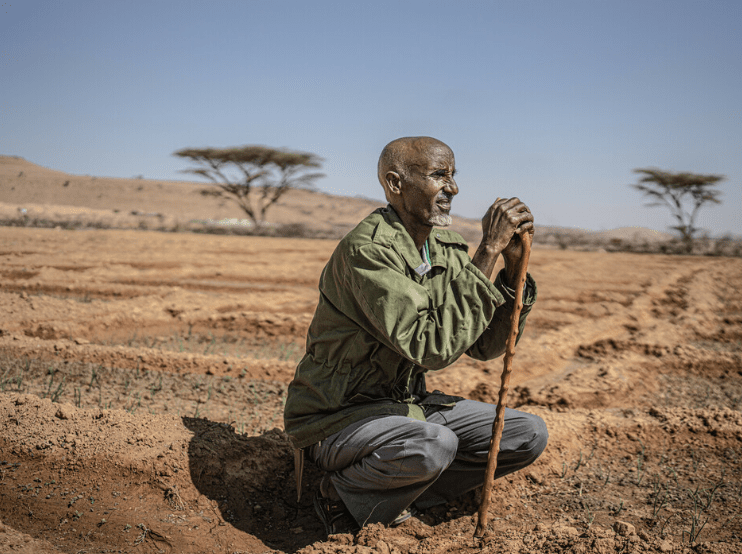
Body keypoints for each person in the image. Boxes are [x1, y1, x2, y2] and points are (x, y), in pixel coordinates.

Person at [283, 136, 547, 535]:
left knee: (526, 434)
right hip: (338, 416)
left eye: (454, 176)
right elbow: (431, 349)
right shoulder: (368, 252)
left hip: (406, 407)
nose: (453, 189)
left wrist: (511, 273)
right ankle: (337, 492)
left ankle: (399, 492)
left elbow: (484, 345)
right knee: (433, 444)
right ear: (395, 183)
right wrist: (488, 252)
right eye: (439, 176)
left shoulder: (444, 247)